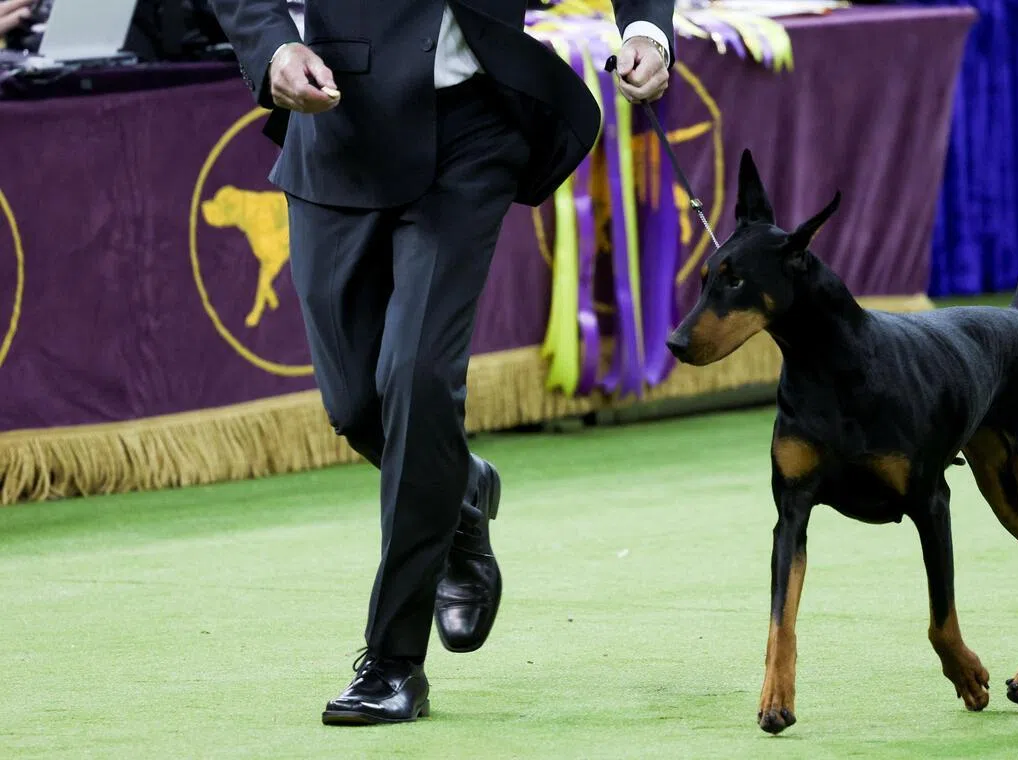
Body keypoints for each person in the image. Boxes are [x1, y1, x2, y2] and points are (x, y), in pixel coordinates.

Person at [207, 0, 673, 725]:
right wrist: (270, 48)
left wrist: (646, 29)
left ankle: (392, 664)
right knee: (360, 410)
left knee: (418, 382)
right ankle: (459, 494)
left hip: (479, 128)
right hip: (339, 118)